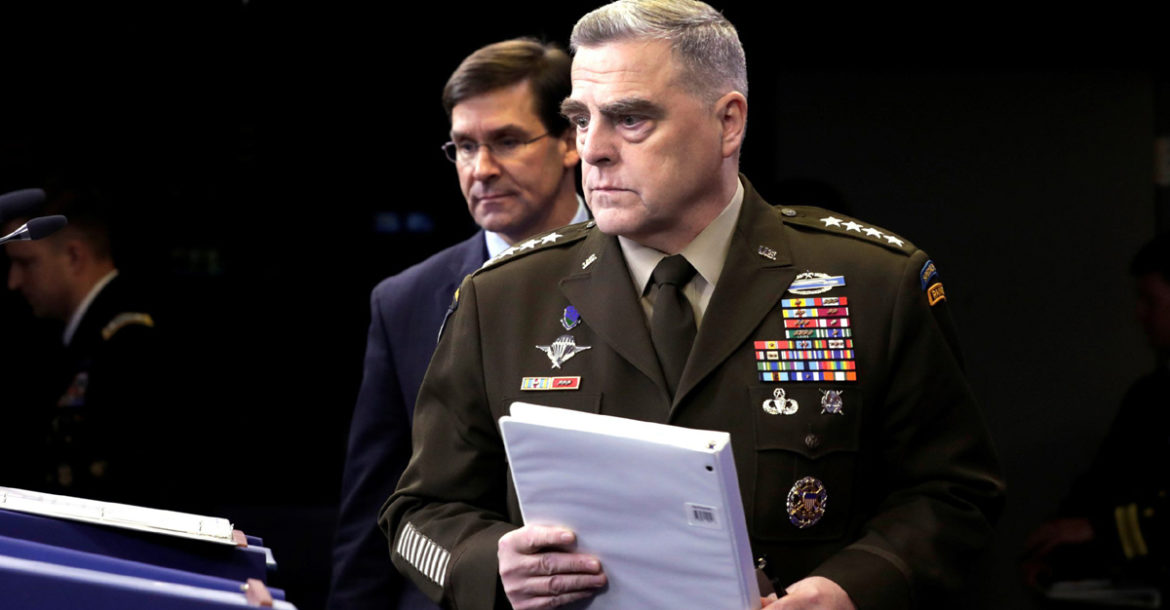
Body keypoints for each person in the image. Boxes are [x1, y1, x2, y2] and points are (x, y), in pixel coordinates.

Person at [380, 1, 1005, 608]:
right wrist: (491, 566)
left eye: (630, 119)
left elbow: (956, 495)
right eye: (581, 119)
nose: (592, 149)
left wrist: (854, 588)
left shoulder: (871, 283)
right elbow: (415, 513)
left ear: (728, 122)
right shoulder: (503, 297)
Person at [329, 39, 587, 610]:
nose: (481, 169)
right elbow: (376, 505)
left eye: (507, 141)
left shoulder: (643, 267)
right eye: (465, 147)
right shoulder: (405, 301)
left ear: (571, 141)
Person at [1023, 233, 1170, 594]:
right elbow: (1103, 481)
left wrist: (1100, 529)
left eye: (1150, 300)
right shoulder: (1149, 396)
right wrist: (1054, 546)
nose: (1139, 314)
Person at [3, 189, 162, 505]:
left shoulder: (129, 345)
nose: (13, 282)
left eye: (26, 263)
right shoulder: (81, 339)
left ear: (74, 256)